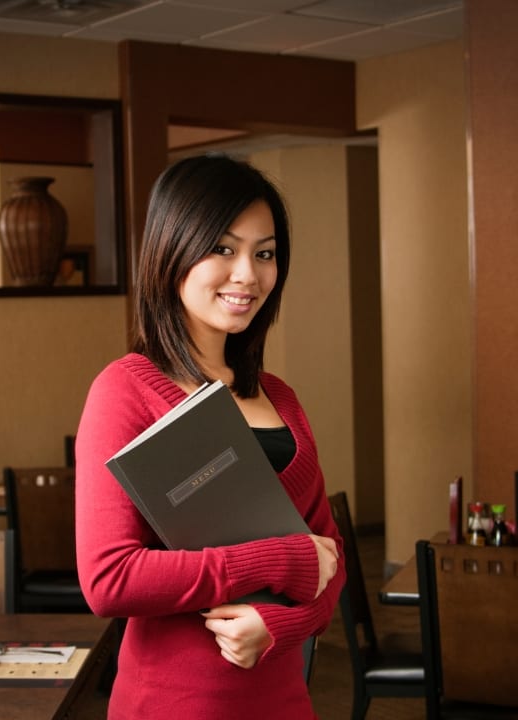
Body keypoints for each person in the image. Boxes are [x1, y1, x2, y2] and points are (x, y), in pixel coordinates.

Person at [74, 154, 345, 719]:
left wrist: (283, 623)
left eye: (264, 253)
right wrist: (276, 561)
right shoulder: (125, 391)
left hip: (283, 702)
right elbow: (109, 579)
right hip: (173, 704)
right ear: (171, 250)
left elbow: (329, 562)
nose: (247, 273)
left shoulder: (281, 398)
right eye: (222, 248)